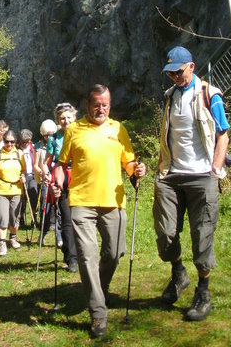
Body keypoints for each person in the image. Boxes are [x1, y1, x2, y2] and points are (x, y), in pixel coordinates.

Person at [54, 85, 146, 338]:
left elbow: (128, 161)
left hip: (113, 201)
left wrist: (136, 171)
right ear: (87, 104)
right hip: (82, 200)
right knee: (87, 256)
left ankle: (100, 288)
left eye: (105, 104)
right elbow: (62, 164)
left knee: (115, 253)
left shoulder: (118, 128)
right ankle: (98, 312)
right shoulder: (74, 130)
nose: (101, 109)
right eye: (96, 104)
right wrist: (57, 182)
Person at [153, 46, 230, 322]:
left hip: (201, 176)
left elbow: (223, 135)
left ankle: (203, 291)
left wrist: (216, 169)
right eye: (170, 73)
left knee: (202, 235)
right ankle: (178, 274)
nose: (174, 77)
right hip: (171, 175)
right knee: (165, 233)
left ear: (192, 67)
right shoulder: (170, 97)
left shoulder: (211, 95)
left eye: (178, 71)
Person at [46, 103, 78, 273]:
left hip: (81, 176)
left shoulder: (82, 133)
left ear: (74, 117)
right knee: (66, 217)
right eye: (62, 118)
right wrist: (47, 176)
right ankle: (71, 258)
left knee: (81, 217)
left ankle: (81, 253)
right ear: (58, 120)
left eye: (68, 117)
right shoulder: (53, 139)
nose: (66, 121)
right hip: (62, 176)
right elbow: (47, 162)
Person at [0, 130, 26, 256]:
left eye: (12, 141)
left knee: (14, 218)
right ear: (3, 141)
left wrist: (24, 176)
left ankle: (13, 238)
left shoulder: (19, 154)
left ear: (15, 142)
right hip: (1, 190)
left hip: (16, 189)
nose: (9, 144)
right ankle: (2, 243)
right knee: (3, 217)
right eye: (7, 141)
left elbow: (24, 171)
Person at [18, 129, 38, 225]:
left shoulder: (34, 148)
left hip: (32, 175)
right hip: (21, 176)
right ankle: (21, 217)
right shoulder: (16, 149)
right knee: (22, 197)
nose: (25, 144)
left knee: (33, 192)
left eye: (27, 141)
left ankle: (34, 216)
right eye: (23, 142)